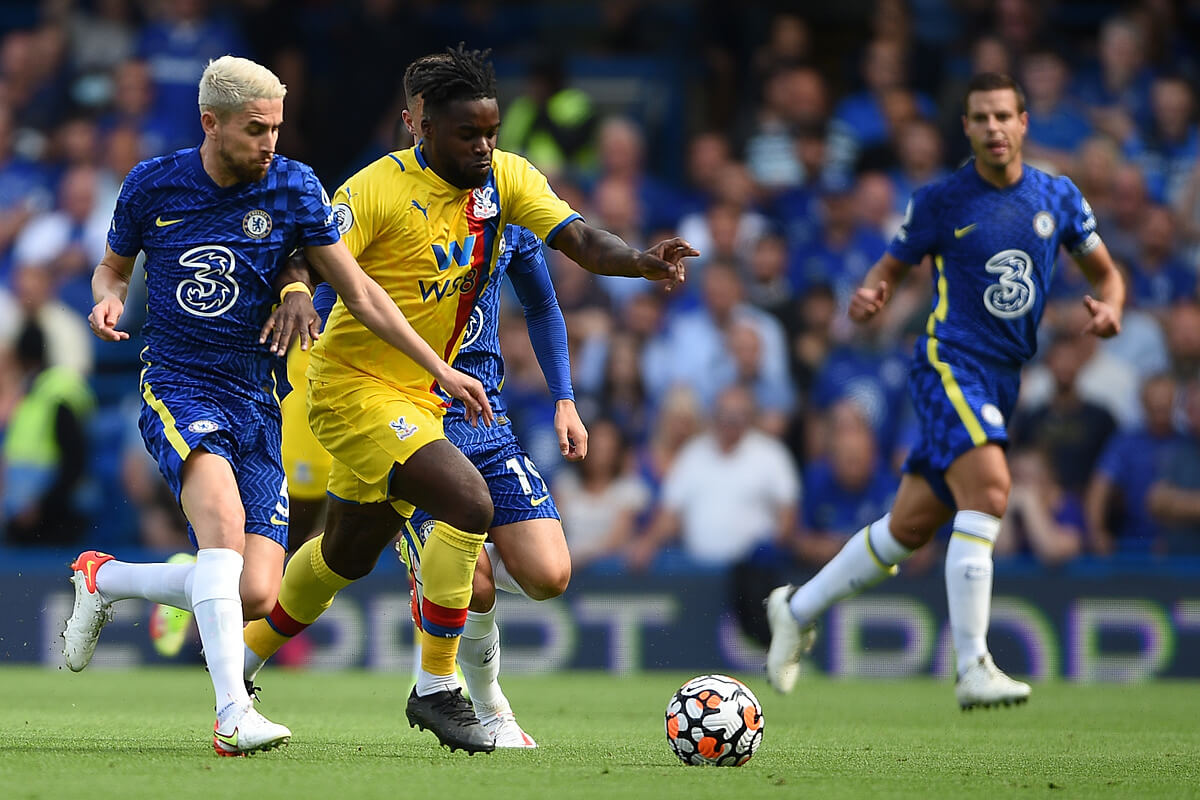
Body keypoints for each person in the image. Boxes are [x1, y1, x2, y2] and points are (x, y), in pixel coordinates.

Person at [237, 44, 692, 755]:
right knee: (468, 512)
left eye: (491, 131)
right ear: (419, 124)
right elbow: (308, 246)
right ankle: (442, 691)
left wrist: (638, 261)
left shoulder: (505, 184)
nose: (484, 146)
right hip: (359, 389)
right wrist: (296, 288)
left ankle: (237, 666)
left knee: (351, 556)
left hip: (453, 400)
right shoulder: (375, 190)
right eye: (467, 134)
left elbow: (577, 241)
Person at [60, 55, 492, 757]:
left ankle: (103, 578)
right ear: (212, 123)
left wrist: (439, 367)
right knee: (223, 533)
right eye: (257, 130)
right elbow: (113, 265)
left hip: (257, 398)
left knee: (258, 592)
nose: (272, 143)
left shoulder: (294, 186)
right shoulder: (152, 185)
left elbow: (360, 293)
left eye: (277, 128)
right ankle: (233, 714)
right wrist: (107, 295)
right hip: (180, 384)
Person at [765, 72, 1125, 709]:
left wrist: (1111, 306)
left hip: (1003, 376)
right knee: (990, 490)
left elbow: (1105, 271)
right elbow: (893, 262)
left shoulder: (1059, 197)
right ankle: (973, 666)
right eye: (979, 117)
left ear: (1023, 123)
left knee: (907, 527)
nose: (992, 128)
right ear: (966, 127)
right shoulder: (941, 200)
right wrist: (876, 290)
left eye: (1002, 116)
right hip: (949, 362)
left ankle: (796, 608)